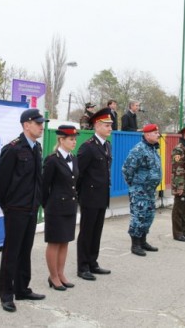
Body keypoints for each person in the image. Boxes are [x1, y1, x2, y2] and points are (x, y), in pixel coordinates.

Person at [0, 109, 48, 313]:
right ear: (27, 125)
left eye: (42, 123)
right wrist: (8, 206)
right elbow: (1, 183)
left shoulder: (37, 148)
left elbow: (37, 179)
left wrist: (38, 201)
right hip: (15, 209)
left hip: (32, 207)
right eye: (38, 123)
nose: (41, 126)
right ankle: (6, 294)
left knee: (25, 250)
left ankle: (22, 288)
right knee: (11, 252)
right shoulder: (13, 149)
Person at [76, 108, 113, 281]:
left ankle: (93, 262)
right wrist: (79, 196)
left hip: (101, 196)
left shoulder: (107, 145)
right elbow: (78, 173)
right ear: (97, 125)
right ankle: (82, 266)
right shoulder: (88, 147)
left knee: (97, 231)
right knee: (86, 232)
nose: (110, 128)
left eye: (110, 125)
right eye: (107, 125)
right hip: (89, 197)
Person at [41, 125, 79, 291]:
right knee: (54, 242)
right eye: (71, 139)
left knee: (65, 242)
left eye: (74, 139)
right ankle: (53, 276)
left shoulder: (74, 158)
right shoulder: (52, 159)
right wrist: (47, 206)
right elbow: (44, 186)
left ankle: (61, 274)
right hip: (55, 207)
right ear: (61, 140)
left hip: (69, 206)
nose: (74, 142)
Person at [122, 124, 162, 256]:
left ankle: (143, 241)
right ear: (147, 134)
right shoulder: (139, 149)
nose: (158, 135)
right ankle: (135, 245)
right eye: (155, 133)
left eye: (158, 133)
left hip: (150, 190)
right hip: (139, 189)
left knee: (148, 216)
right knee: (138, 217)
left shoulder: (152, 149)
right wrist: (134, 185)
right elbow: (127, 169)